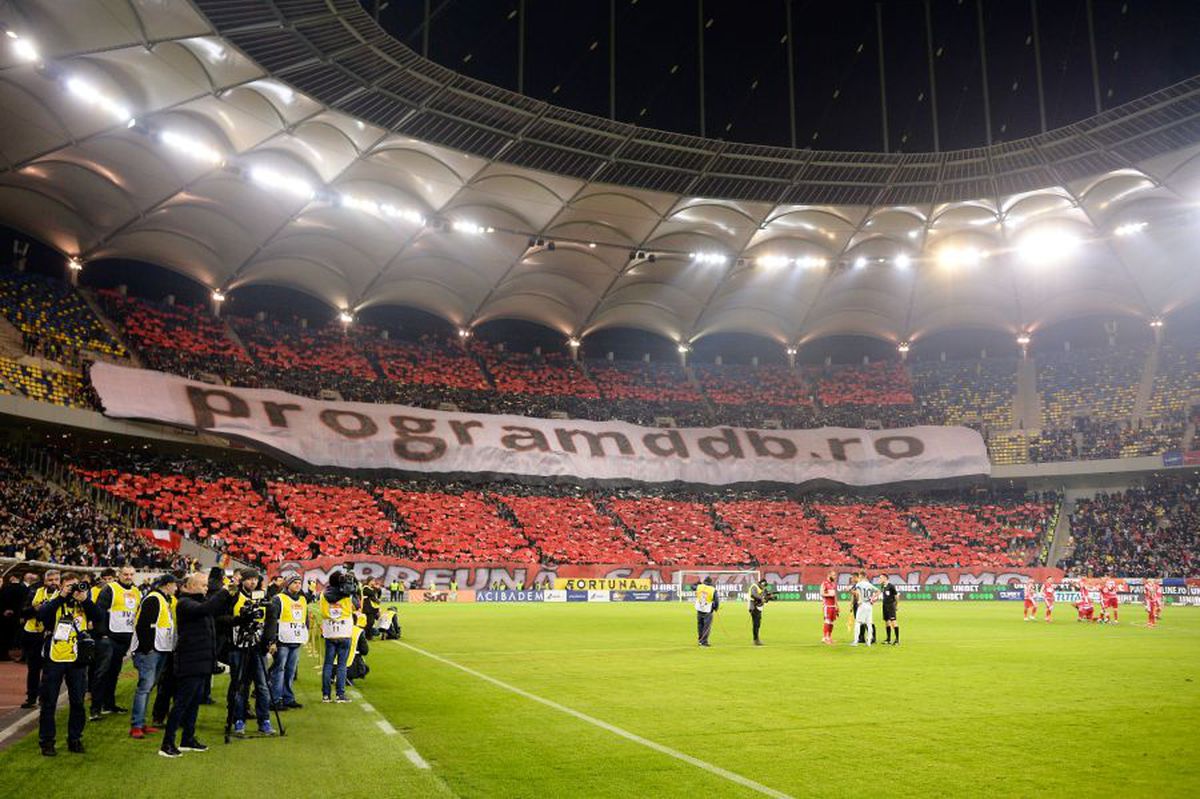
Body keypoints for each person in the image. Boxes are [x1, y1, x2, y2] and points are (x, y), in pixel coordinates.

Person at [159, 571, 238, 758]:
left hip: (201, 660)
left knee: (194, 703)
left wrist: (231, 596)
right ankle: (167, 743)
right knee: (182, 703)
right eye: (203, 585)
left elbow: (215, 609)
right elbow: (208, 609)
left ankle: (187, 739)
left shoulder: (198, 602)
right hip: (190, 661)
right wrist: (225, 592)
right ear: (191, 586)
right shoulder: (185, 603)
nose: (207, 587)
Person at [37, 575, 99, 756]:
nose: (73, 589)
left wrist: (85, 600)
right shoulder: (54, 600)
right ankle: (47, 741)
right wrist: (62, 596)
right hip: (55, 658)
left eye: (75, 586)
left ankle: (75, 738)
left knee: (78, 702)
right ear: (62, 586)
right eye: (69, 586)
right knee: (49, 703)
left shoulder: (83, 603)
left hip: (77, 659)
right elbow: (42, 615)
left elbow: (99, 616)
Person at [226, 569, 274, 736]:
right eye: (249, 579)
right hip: (238, 646)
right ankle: (238, 719)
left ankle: (265, 720)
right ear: (243, 580)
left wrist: (268, 640)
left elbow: (270, 619)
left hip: (257, 646)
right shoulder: (234, 596)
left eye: (255, 579)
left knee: (262, 685)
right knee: (240, 685)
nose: (252, 582)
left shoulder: (263, 596)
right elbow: (224, 618)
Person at [129, 574, 178, 739]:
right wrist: (147, 648)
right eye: (174, 585)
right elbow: (143, 625)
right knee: (144, 687)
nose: (176, 588)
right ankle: (136, 724)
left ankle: (141, 723)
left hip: (159, 649)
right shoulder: (154, 599)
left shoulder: (161, 599)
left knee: (148, 687)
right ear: (167, 585)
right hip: (151, 651)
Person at [89, 565, 140, 720]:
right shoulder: (110, 589)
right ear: (119, 574)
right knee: (102, 673)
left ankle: (109, 704)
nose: (128, 577)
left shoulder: (136, 591)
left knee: (114, 673)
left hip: (124, 638)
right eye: (125, 574)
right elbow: (99, 612)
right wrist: (102, 634)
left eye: (131, 574)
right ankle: (95, 708)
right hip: (109, 638)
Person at [20, 569, 61, 709]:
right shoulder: (34, 592)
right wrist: (34, 609)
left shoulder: (62, 594)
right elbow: (23, 611)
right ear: (45, 581)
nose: (53, 582)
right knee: (33, 668)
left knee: (50, 669)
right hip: (33, 634)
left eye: (56, 579)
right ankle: (31, 697)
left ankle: (45, 697)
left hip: (52, 634)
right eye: (50, 580)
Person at [268, 575, 307, 711]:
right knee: (279, 670)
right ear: (287, 584)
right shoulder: (278, 599)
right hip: (282, 640)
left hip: (295, 639)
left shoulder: (302, 599)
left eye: (299, 583)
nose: (298, 585)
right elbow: (272, 620)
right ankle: (275, 699)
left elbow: (304, 620)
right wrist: (272, 640)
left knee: (290, 671)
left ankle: (288, 698)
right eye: (295, 583)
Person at [320, 570, 359, 702]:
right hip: (344, 631)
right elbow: (357, 606)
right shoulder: (347, 595)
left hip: (330, 631)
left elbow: (322, 611)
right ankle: (340, 694)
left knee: (328, 664)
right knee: (342, 665)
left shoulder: (323, 594)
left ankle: (326, 695)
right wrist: (354, 590)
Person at [851, 574, 878, 647]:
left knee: (858, 622)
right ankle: (869, 642)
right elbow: (878, 591)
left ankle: (856, 641)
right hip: (869, 605)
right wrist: (873, 599)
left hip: (862, 604)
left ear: (861, 577)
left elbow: (858, 593)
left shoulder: (859, 584)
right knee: (869, 623)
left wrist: (859, 600)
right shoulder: (869, 584)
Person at [694, 576, 719, 647]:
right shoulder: (712, 589)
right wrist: (716, 608)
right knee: (706, 626)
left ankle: (700, 640)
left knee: (700, 625)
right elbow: (716, 600)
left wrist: (698, 583)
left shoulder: (699, 587)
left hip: (699, 609)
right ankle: (704, 642)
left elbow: (692, 587)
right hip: (708, 610)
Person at [747, 578, 769, 646]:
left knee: (757, 623)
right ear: (761, 584)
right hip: (753, 607)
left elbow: (766, 596)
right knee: (756, 624)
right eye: (764, 585)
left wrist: (768, 597)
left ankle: (756, 639)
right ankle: (756, 640)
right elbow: (753, 595)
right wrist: (761, 598)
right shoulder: (754, 586)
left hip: (759, 607)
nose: (764, 587)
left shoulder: (763, 589)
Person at [879, 574, 899, 645]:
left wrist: (896, 605)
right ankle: (888, 639)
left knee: (893, 621)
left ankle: (897, 640)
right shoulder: (882, 586)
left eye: (880, 578)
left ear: (885, 578)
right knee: (887, 622)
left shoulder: (891, 586)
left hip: (891, 606)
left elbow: (896, 596)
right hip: (884, 605)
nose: (879, 579)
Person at [820, 571, 839, 645]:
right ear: (829, 575)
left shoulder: (833, 584)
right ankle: (825, 638)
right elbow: (821, 593)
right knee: (827, 621)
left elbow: (834, 596)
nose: (835, 577)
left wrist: (837, 606)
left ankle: (829, 637)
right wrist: (828, 594)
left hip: (833, 606)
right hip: (827, 606)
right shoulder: (824, 583)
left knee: (831, 622)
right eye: (834, 575)